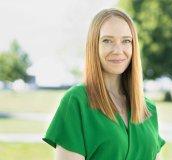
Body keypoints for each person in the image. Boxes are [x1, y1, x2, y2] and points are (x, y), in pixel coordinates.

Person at [42, 8, 165, 160]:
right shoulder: (76, 101)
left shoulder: (148, 109)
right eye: (107, 40)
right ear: (94, 46)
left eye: (126, 41)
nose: (118, 50)